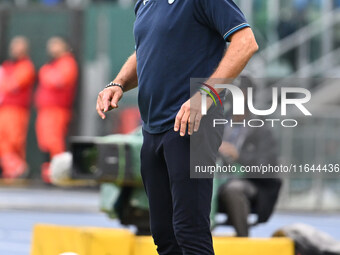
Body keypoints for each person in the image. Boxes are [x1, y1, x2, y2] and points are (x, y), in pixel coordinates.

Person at [96, 0, 258, 254]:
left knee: (189, 232)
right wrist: (117, 83)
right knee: (164, 235)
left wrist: (206, 94)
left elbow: (246, 42)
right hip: (151, 128)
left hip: (191, 125)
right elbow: (146, 51)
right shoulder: (145, 2)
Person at [217, 75, 282, 237]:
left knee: (233, 189)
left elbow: (266, 165)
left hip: (251, 182)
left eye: (241, 92)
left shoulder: (261, 127)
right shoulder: (218, 121)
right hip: (215, 177)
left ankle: (243, 238)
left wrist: (238, 154)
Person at [35, 36, 78, 183]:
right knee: (46, 142)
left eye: (55, 44)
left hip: (57, 110)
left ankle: (58, 175)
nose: (52, 48)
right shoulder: (53, 64)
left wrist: (45, 73)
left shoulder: (67, 62)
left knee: (55, 142)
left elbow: (58, 81)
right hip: (46, 109)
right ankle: (49, 175)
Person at [0, 36, 35, 179]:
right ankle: (13, 169)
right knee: (3, 140)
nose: (15, 49)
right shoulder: (8, 65)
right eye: (14, 46)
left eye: (19, 46)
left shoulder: (26, 66)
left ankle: (19, 169)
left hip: (17, 110)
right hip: (4, 108)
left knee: (15, 140)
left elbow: (11, 84)